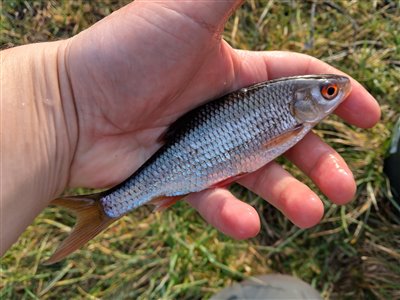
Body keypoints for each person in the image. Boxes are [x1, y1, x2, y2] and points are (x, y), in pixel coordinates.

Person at [0, 0, 380, 257]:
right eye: (328, 92)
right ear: (303, 101)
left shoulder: (292, 117)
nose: (335, 93)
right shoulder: (292, 116)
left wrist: (57, 98)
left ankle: (103, 208)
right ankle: (104, 208)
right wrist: (61, 96)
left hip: (195, 160)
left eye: (328, 92)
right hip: (193, 158)